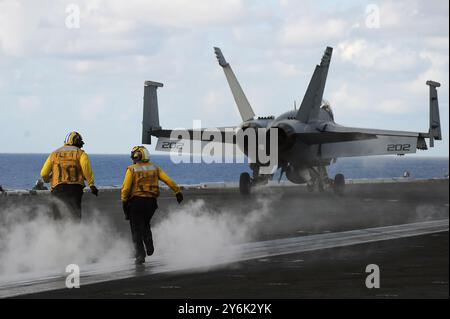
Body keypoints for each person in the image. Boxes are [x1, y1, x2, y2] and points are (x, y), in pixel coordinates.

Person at [121, 146, 183, 265]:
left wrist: (124, 202)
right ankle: (149, 245)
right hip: (151, 203)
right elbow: (168, 180)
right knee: (145, 224)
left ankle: (140, 255)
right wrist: (177, 191)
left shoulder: (132, 169)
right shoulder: (155, 168)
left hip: (136, 202)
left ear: (136, 156)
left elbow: (126, 188)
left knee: (136, 229)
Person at [40, 131, 98, 220]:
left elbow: (44, 173)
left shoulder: (54, 154)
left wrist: (48, 180)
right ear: (76, 141)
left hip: (57, 189)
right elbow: (86, 170)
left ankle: (57, 233)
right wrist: (91, 184)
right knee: (75, 217)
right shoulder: (81, 154)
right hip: (75, 189)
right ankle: (74, 232)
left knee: (58, 218)